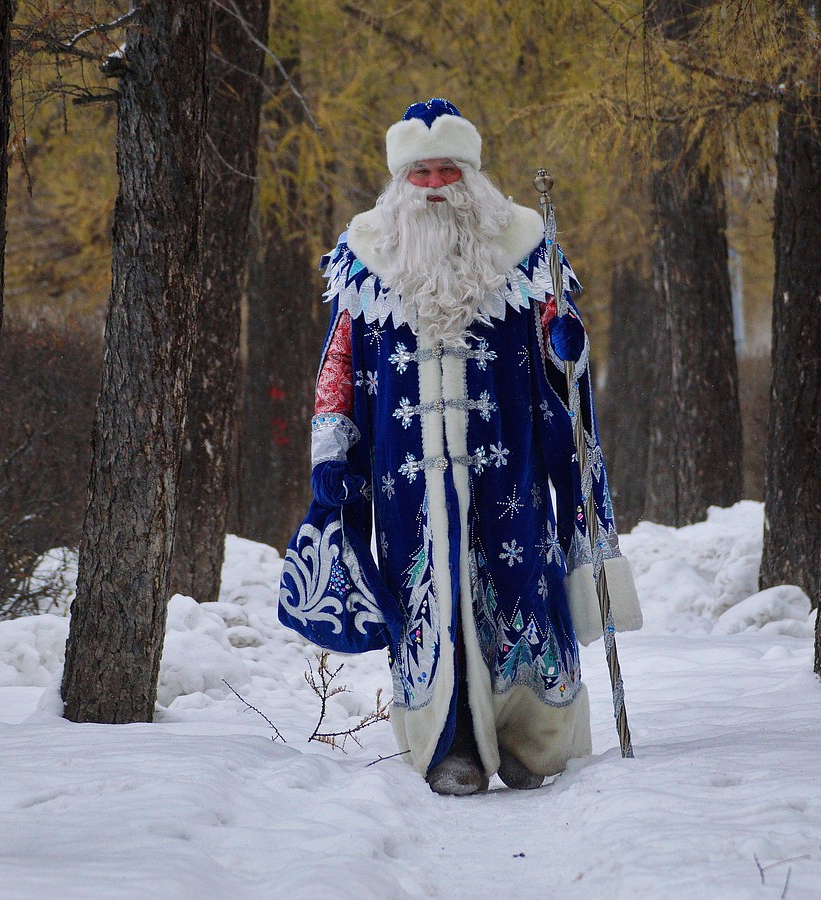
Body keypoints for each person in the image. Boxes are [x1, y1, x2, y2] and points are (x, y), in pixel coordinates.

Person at [278, 98, 641, 795]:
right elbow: (338, 366)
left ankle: (536, 744)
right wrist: (332, 455)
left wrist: (570, 347)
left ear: (472, 173)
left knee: (519, 590)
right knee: (428, 593)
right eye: (422, 173)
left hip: (512, 466)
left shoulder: (527, 249)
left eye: (450, 169)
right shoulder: (364, 257)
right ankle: (451, 747)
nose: (437, 184)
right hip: (407, 478)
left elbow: (563, 352)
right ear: (399, 182)